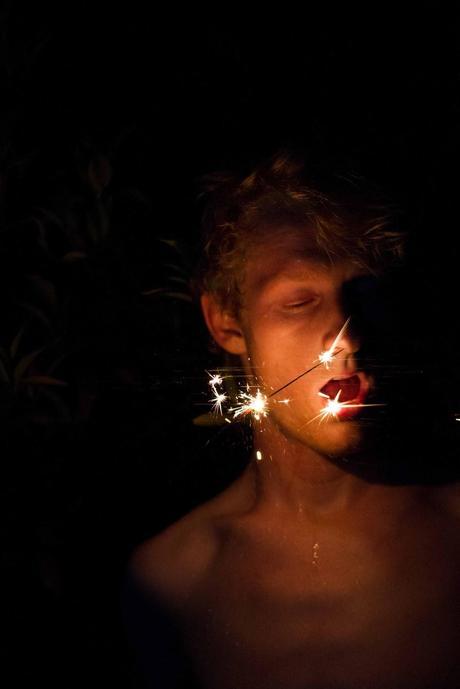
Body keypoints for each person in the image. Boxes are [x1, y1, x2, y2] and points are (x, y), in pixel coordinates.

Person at [123, 152, 460, 689]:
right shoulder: (172, 586)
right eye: (300, 302)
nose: (345, 339)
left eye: (365, 294)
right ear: (226, 322)